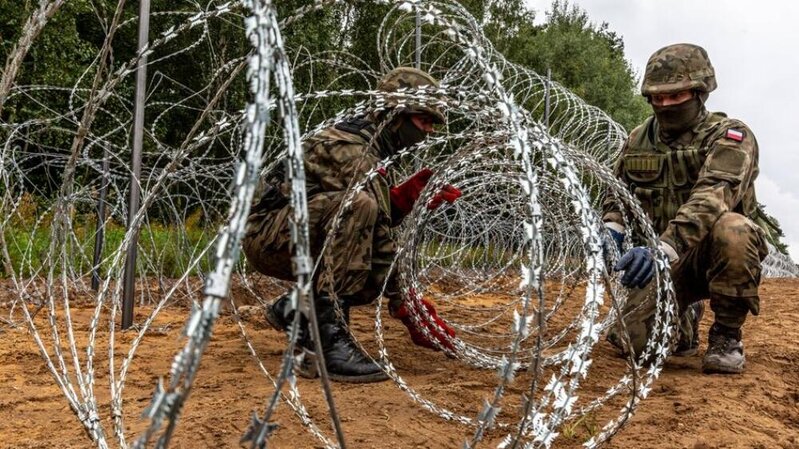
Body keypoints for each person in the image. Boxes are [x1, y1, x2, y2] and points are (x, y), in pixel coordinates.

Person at [242, 67, 461, 383]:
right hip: (266, 237)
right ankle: (327, 340)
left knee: (370, 271)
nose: (427, 132)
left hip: (292, 229)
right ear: (396, 114)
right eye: (424, 121)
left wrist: (402, 198)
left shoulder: (372, 146)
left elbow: (371, 228)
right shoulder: (354, 150)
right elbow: (375, 229)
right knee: (360, 207)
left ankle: (295, 310)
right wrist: (410, 307)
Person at [603, 43, 768, 374]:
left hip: (711, 253)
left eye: (675, 96)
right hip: (661, 262)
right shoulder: (637, 140)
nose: (664, 104)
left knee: (733, 229)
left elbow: (713, 195)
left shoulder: (730, 136)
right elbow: (617, 193)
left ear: (700, 92)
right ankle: (683, 321)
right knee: (636, 346)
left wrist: (663, 248)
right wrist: (612, 229)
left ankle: (725, 336)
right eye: (657, 97)